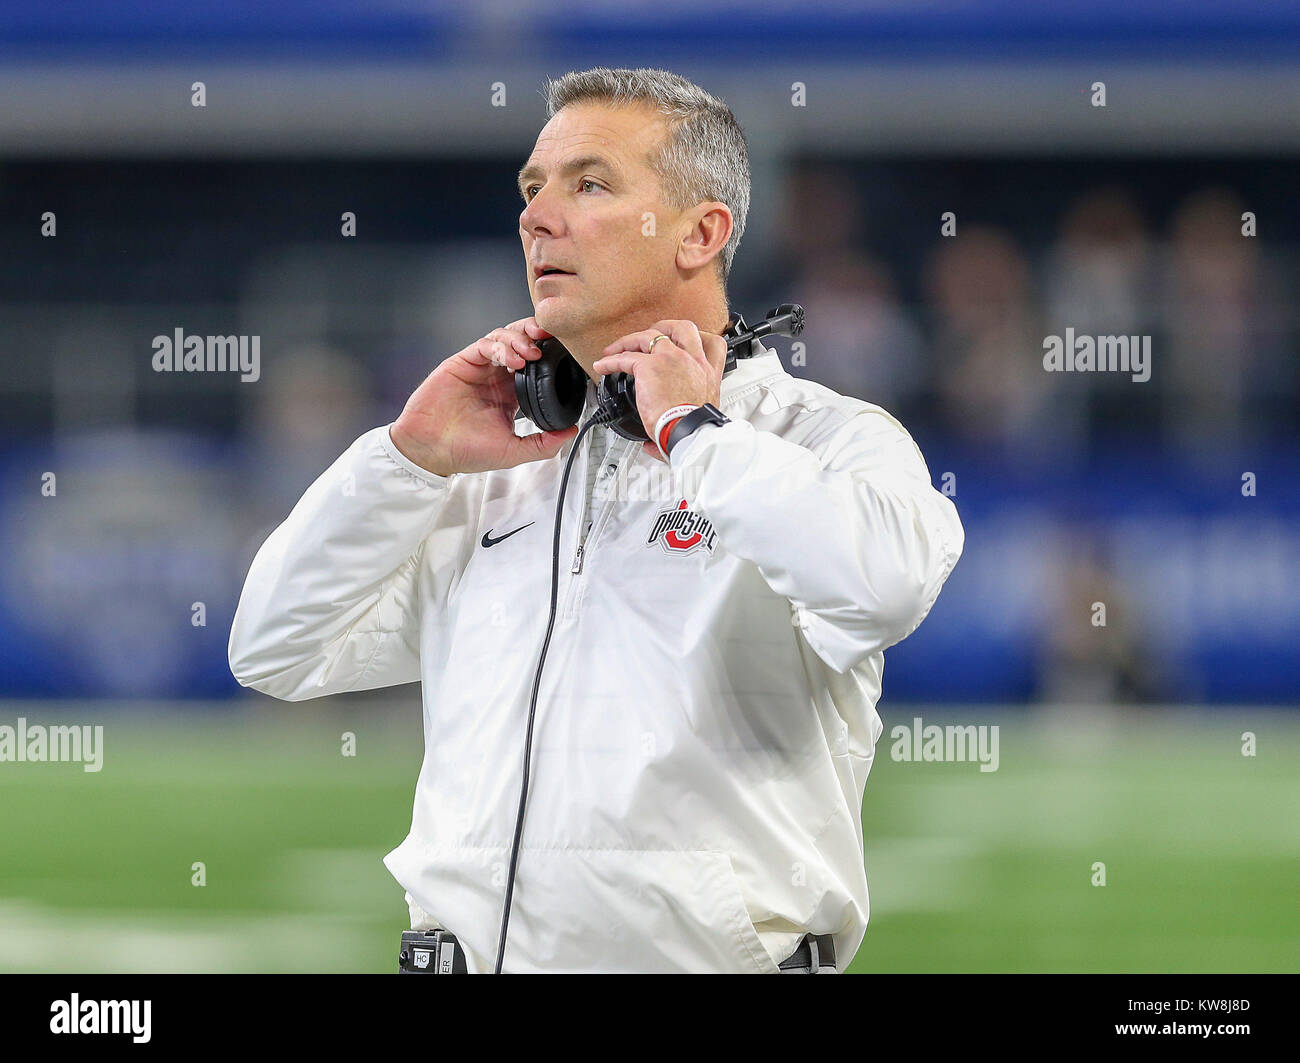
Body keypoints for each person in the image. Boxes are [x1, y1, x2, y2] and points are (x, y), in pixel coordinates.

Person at [228, 67, 964, 973]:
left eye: (589, 184)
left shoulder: (821, 436)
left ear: (701, 232)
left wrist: (696, 434)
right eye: (533, 191)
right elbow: (273, 647)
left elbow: (880, 588)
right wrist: (405, 459)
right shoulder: (492, 464)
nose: (539, 217)